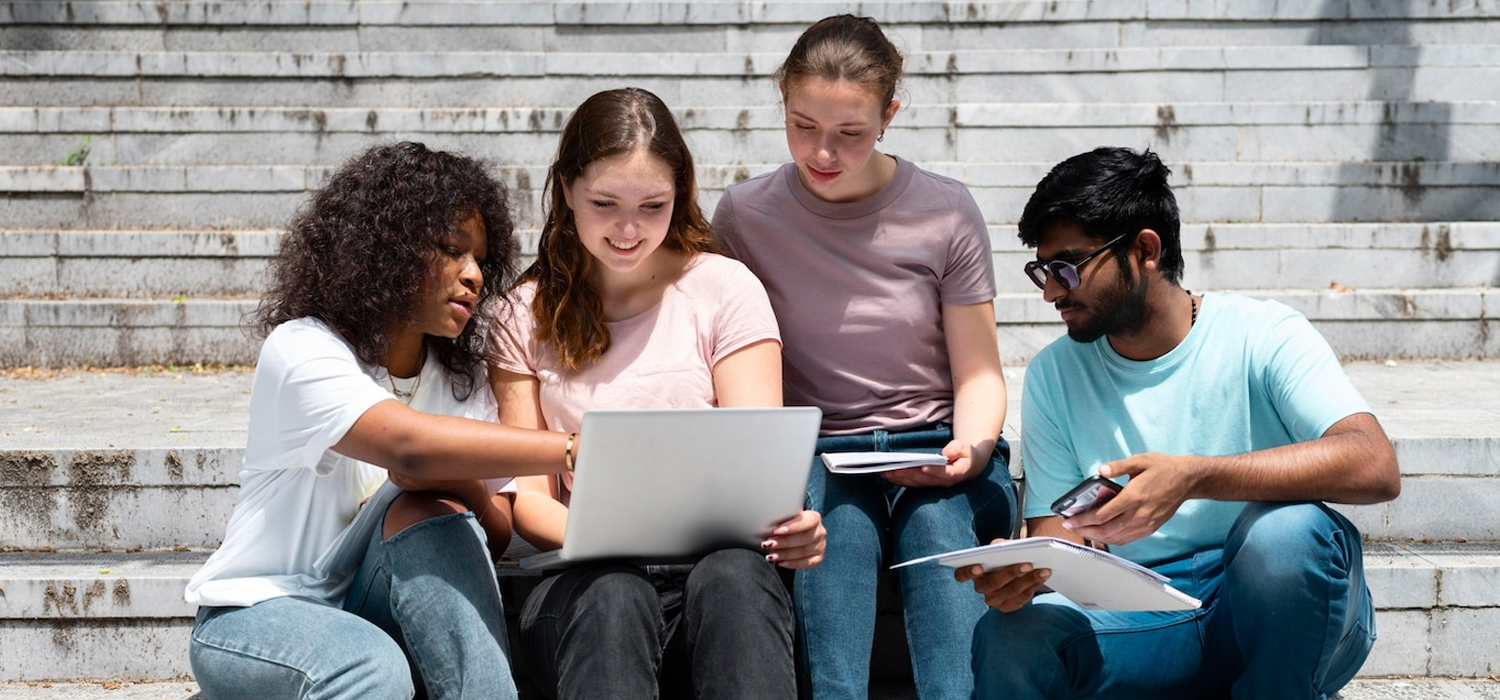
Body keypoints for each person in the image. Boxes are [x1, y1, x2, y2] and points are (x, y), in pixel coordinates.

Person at [962, 146, 1402, 699]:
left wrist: (1193, 477)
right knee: (1014, 634)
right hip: (1145, 614)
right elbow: (1058, 536)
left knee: (1285, 536)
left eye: (1067, 268)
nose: (1052, 292)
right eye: (1041, 271)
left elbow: (1374, 463)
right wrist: (1030, 575)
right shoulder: (1054, 374)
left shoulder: (1262, 335)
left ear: (1145, 249)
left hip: (1275, 607)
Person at [185, 142, 576, 700]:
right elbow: (409, 447)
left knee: (425, 507)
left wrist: (450, 485)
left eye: (482, 262)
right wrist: (571, 449)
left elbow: (494, 532)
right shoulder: (304, 349)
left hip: (373, 601)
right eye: (451, 250)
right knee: (368, 664)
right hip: (260, 612)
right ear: (384, 250)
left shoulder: (461, 382)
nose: (473, 276)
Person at [711, 15, 1018, 700]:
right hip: (819, 452)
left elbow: (978, 372)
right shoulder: (744, 215)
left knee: (938, 523)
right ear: (782, 102)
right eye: (801, 126)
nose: (822, 153)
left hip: (935, 441)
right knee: (834, 531)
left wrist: (971, 446)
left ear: (889, 117)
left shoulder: (944, 211)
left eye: (850, 133)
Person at [489, 87, 827, 700]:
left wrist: (793, 528)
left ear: (681, 195)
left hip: (719, 581)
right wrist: (609, 535)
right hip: (585, 589)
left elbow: (758, 466)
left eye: (653, 205)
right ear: (566, 191)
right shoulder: (522, 314)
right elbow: (529, 505)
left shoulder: (725, 289)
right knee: (616, 591)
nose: (628, 229)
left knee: (734, 577)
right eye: (604, 203)